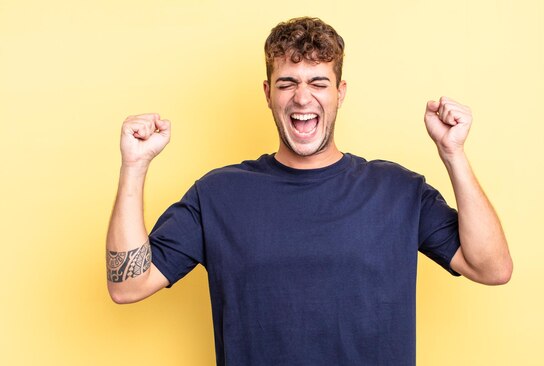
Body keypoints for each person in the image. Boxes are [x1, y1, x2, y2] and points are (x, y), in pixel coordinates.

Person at [106, 16, 512, 366]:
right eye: (287, 83)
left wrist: (452, 153)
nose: (302, 97)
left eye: (318, 82)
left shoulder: (398, 191)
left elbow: (491, 268)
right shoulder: (217, 195)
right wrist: (134, 166)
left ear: (340, 92)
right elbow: (127, 286)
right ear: (268, 94)